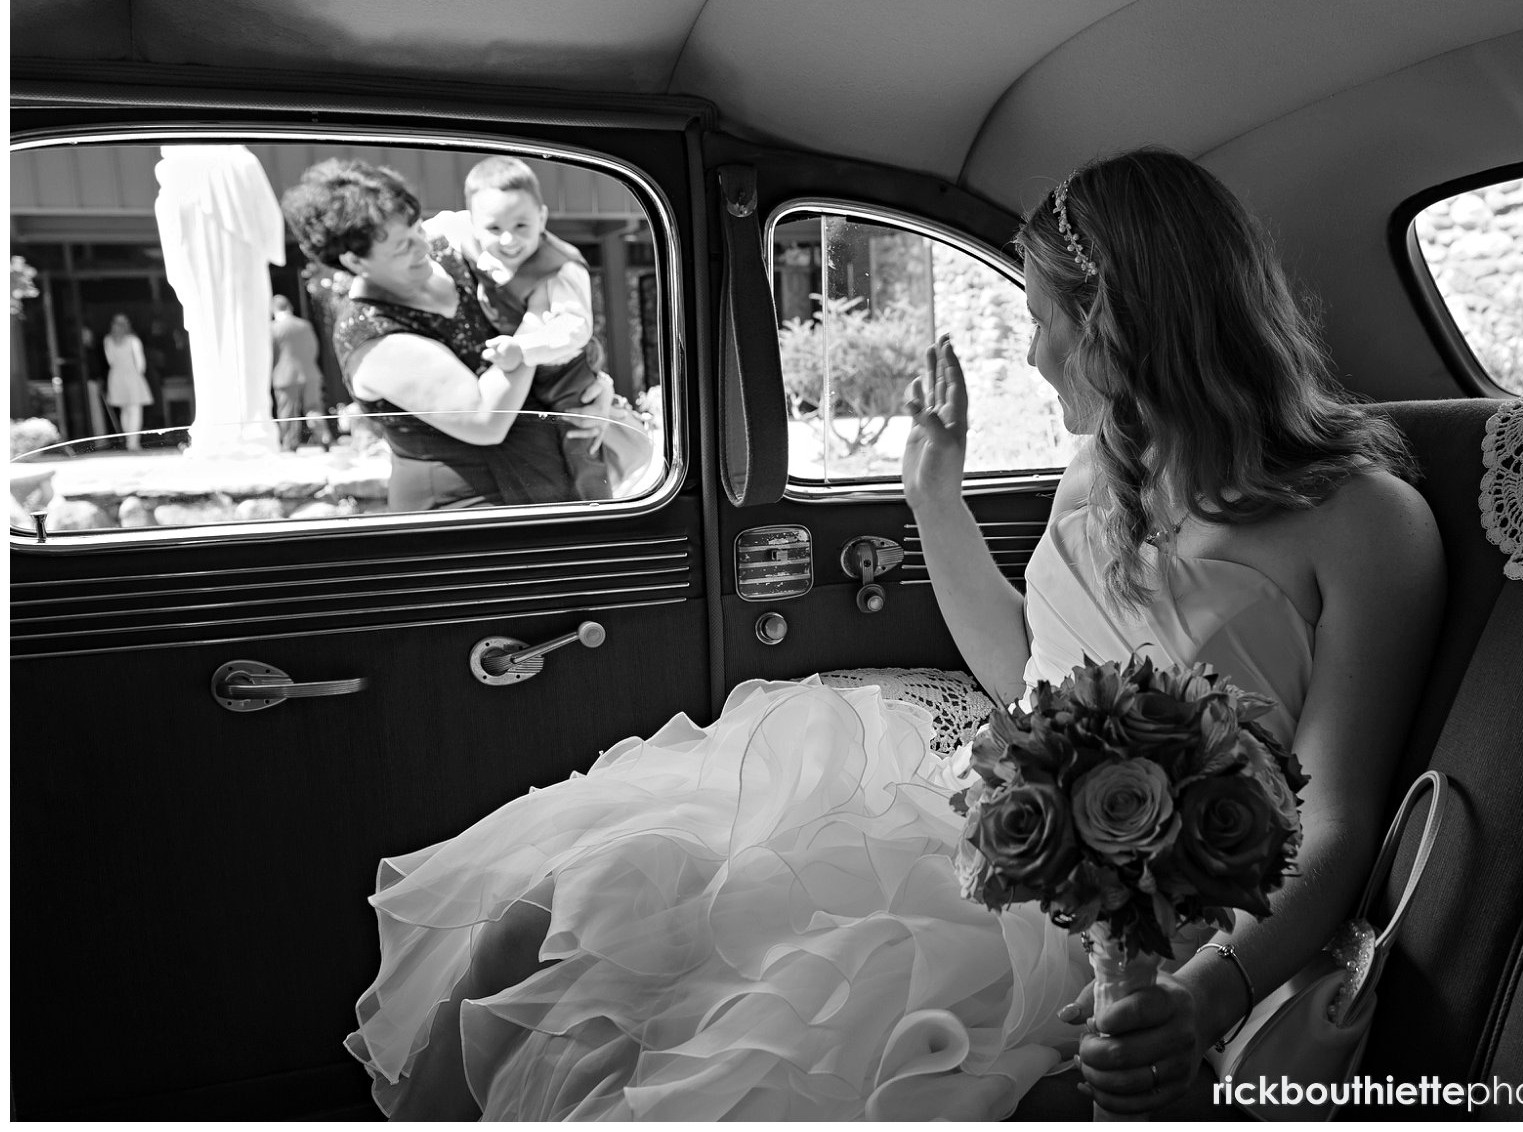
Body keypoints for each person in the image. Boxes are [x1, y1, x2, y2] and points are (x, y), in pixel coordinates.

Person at [342, 147, 1445, 1120]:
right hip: (975, 827)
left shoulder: (1364, 523)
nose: (1033, 356)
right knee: (557, 911)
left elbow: (1337, 822)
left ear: (1113, 328)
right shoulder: (1098, 477)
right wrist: (932, 500)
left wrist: (1204, 1000)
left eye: (1042, 323)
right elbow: (1033, 682)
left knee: (734, 1038)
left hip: (1150, 914)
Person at [279, 159, 622, 511]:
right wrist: (536, 324)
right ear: (354, 261)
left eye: (416, 228)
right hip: (466, 511)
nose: (423, 245)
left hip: (552, 482)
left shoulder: (451, 249)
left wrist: (589, 387)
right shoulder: (371, 337)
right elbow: (487, 420)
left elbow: (551, 287)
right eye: (402, 246)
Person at [422, 156, 652, 499]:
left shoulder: (560, 267)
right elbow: (437, 225)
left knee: (582, 442)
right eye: (494, 228)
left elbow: (573, 329)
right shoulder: (466, 233)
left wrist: (523, 349)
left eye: (521, 226)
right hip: (529, 375)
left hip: (566, 372)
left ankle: (598, 507)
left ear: (542, 217)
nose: (508, 239)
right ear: (474, 221)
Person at [269, 294, 332, 451]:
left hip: (285, 376)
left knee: (288, 412)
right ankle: (323, 437)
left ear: (273, 310)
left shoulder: (273, 328)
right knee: (314, 408)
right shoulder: (304, 325)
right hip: (310, 373)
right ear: (289, 306)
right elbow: (314, 348)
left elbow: (270, 354)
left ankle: (290, 444)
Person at [102, 312, 153, 451]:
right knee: (134, 409)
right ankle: (133, 442)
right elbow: (140, 363)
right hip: (132, 375)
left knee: (124, 410)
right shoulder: (133, 340)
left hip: (116, 376)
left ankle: (129, 440)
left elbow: (110, 361)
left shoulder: (108, 340)